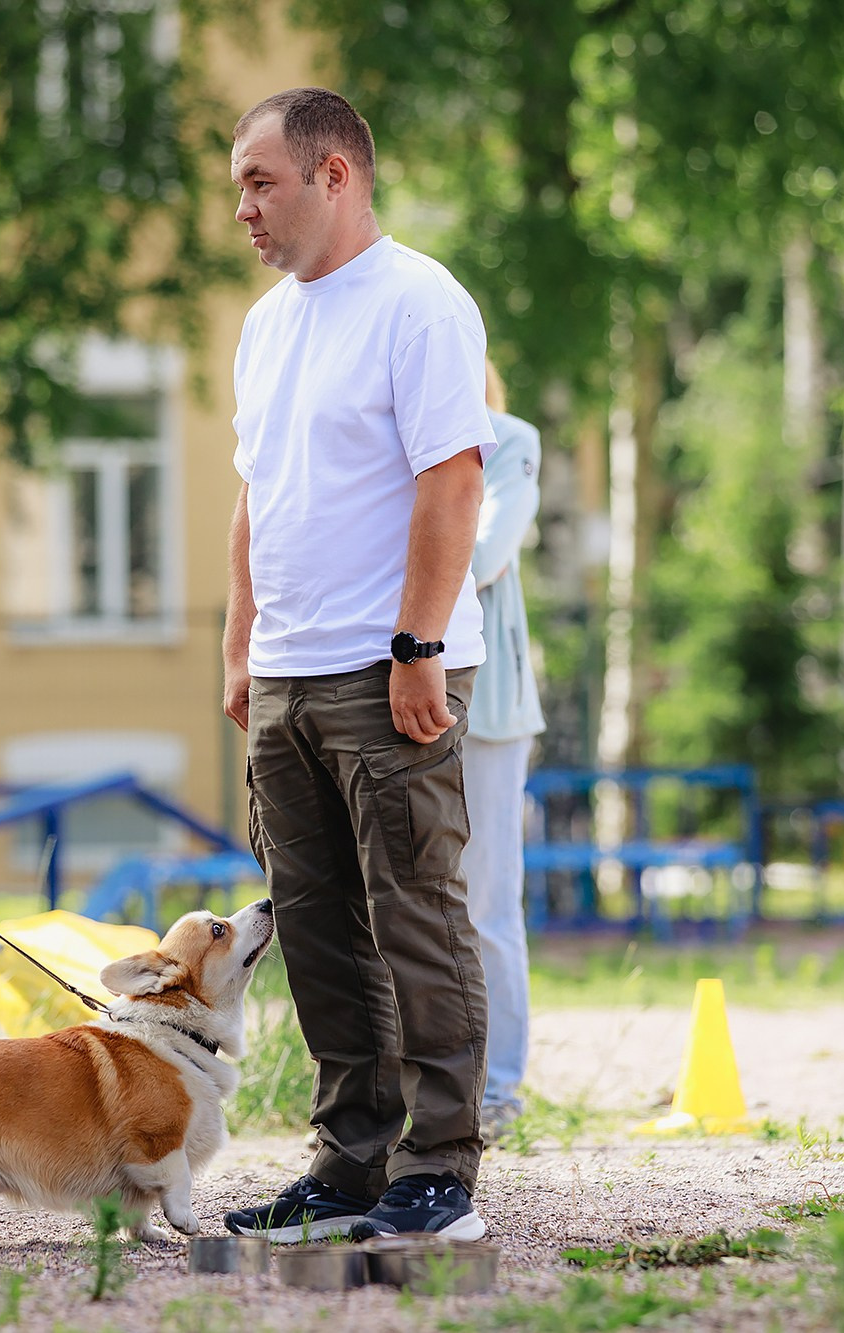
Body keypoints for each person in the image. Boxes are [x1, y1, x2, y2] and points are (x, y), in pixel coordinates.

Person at [217, 88, 495, 1244]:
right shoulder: (266, 321)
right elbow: (255, 495)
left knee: (414, 919)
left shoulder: (419, 303)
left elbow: (453, 479)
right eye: (236, 183)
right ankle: (348, 1162)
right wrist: (239, 650)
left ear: (335, 177)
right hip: (284, 674)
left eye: (259, 181)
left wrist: (417, 645)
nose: (241, 207)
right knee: (317, 928)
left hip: (387, 670)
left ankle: (440, 1169)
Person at [461, 361, 546, 1141]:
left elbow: (487, 554)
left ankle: (502, 1088)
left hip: (486, 703)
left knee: (488, 900)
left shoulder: (512, 443)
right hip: (395, 693)